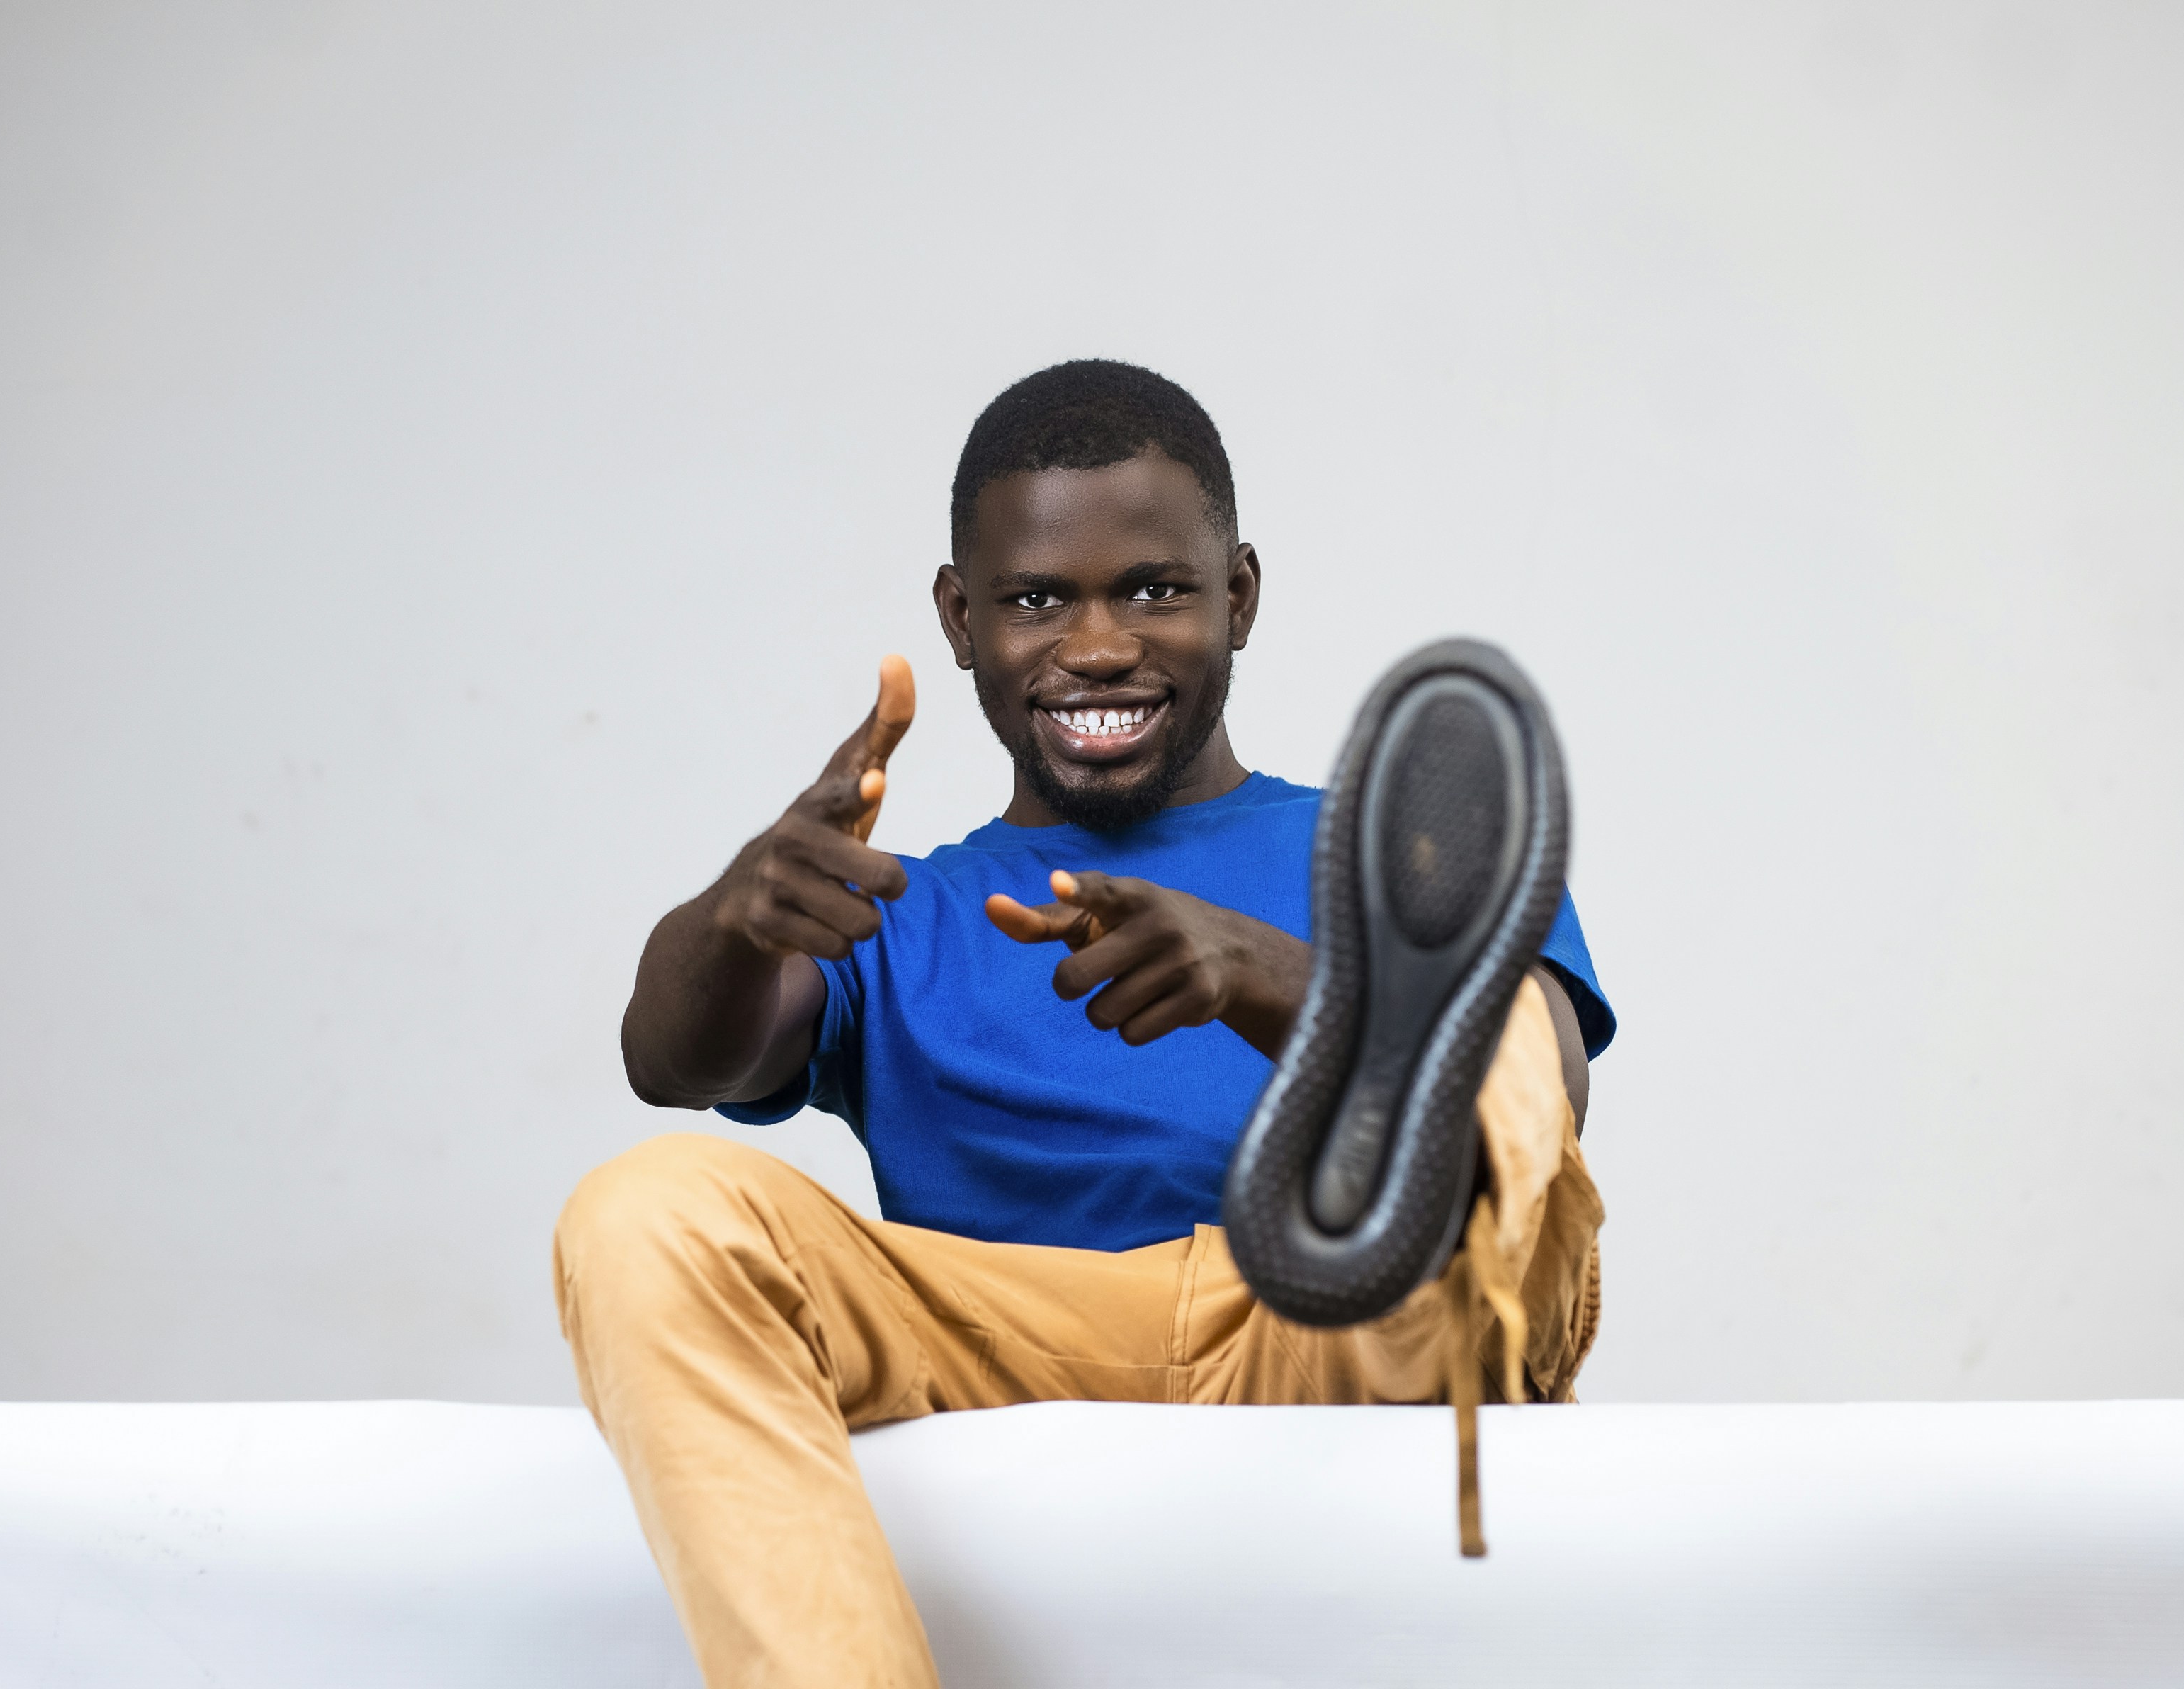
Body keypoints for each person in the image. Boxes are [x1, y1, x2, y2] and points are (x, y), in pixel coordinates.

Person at [558, 359, 1614, 1688]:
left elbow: (1536, 1116)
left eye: (1156, 590)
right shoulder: (902, 907)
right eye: (1039, 598)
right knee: (644, 1206)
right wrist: (735, 916)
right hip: (1005, 1335)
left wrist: (1270, 980)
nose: (1100, 644)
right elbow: (672, 1063)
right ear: (960, 617)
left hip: (1342, 1313)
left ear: (1238, 599)